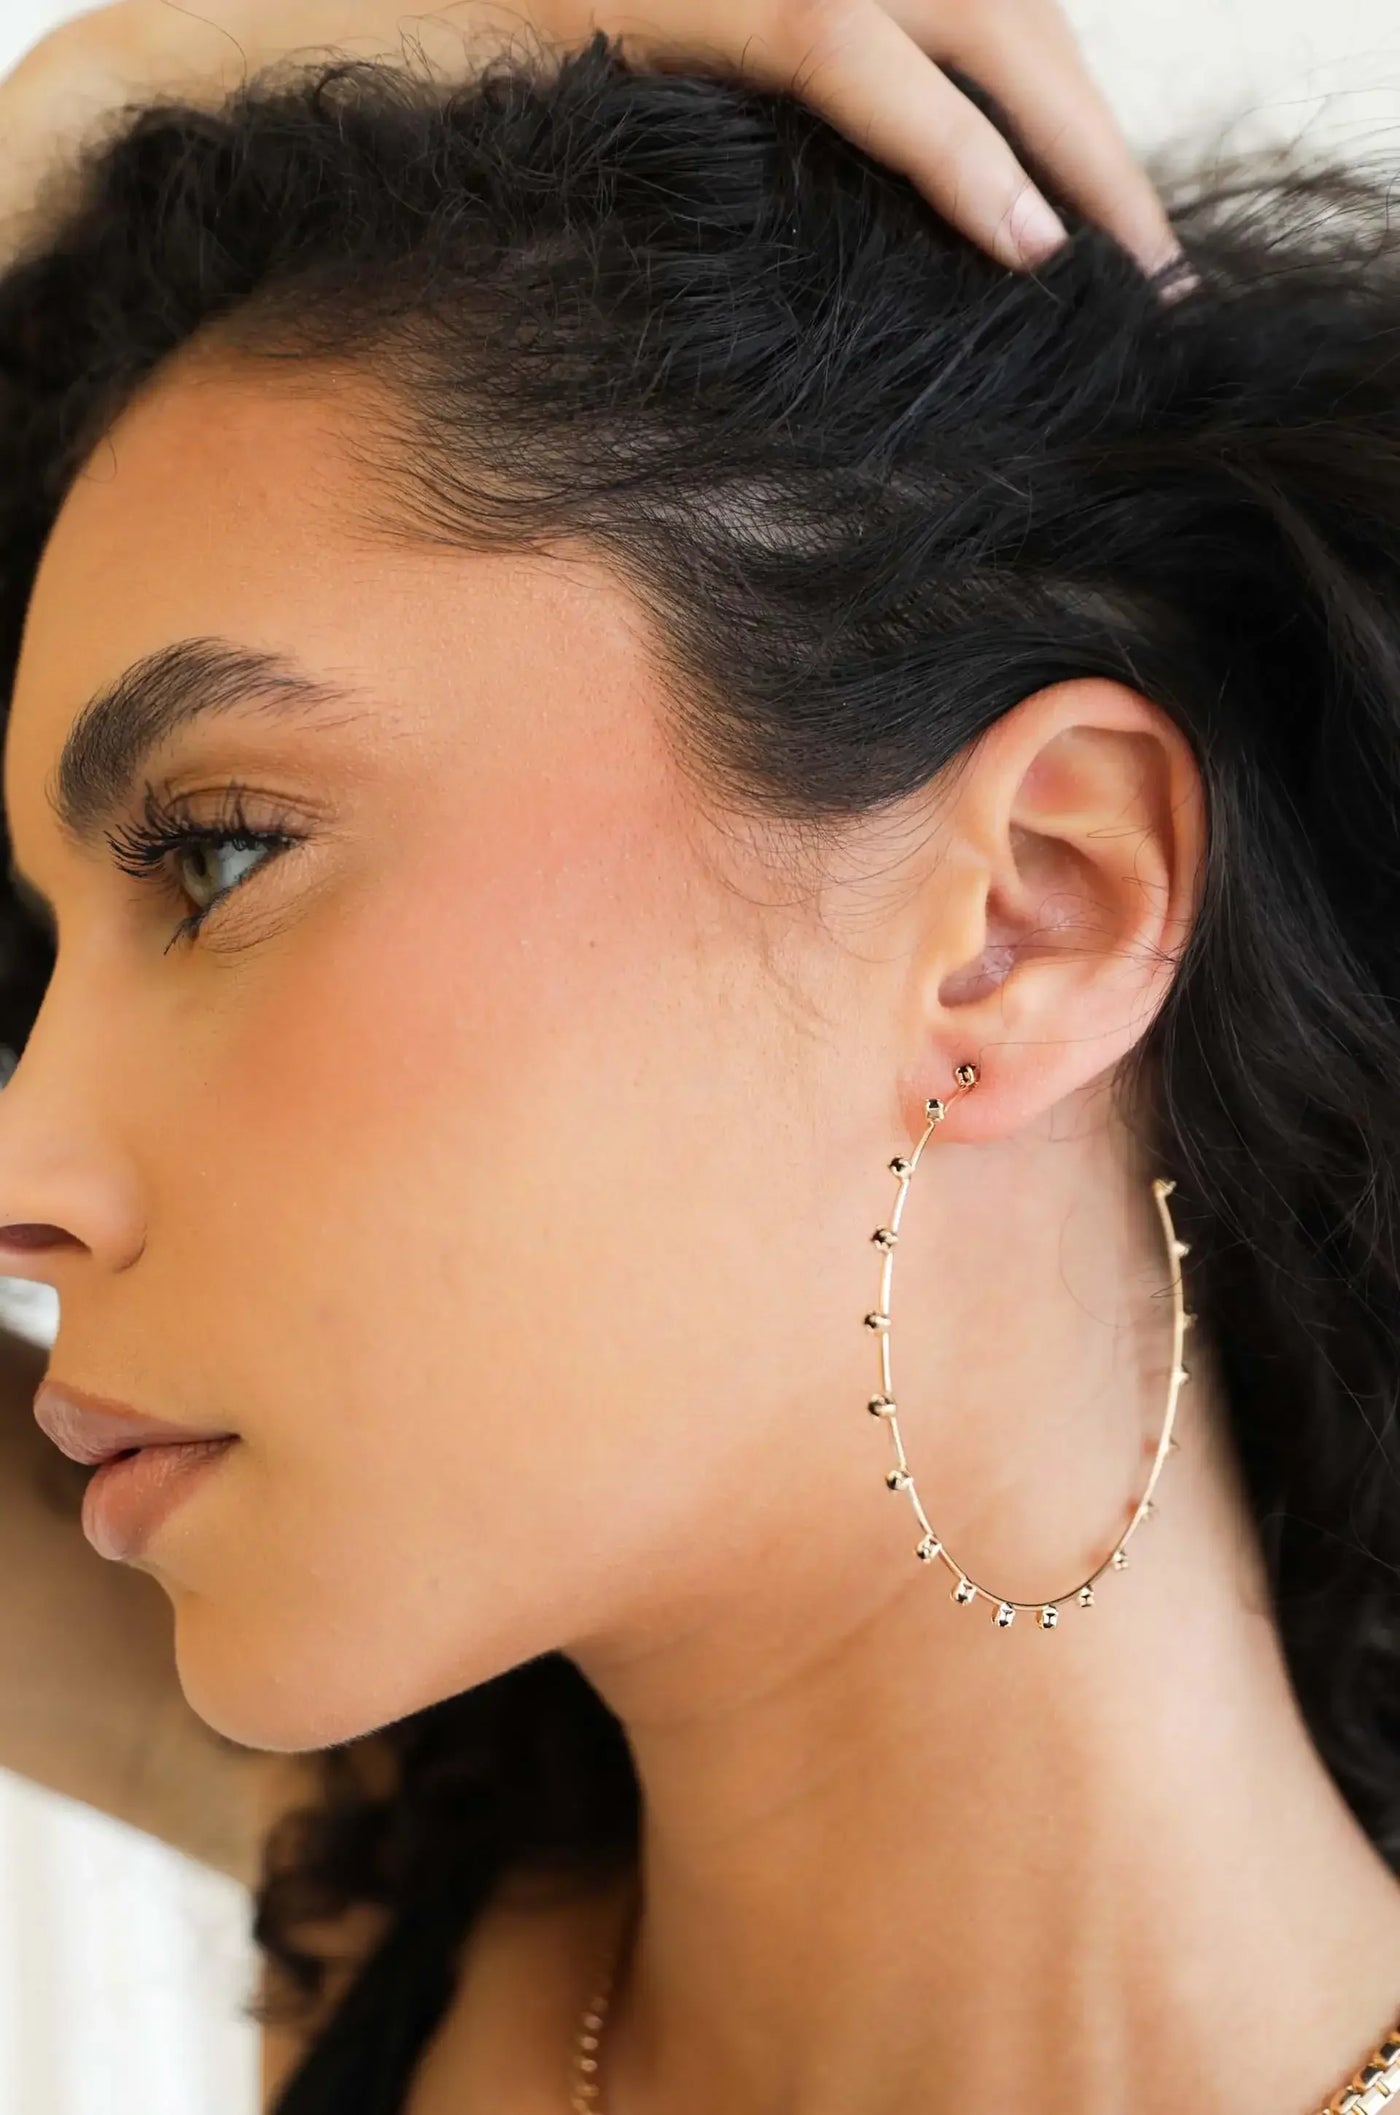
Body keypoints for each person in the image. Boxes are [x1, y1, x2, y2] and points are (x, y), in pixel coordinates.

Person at [0, 6, 1398, 2115]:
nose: (19, 1159)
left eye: (214, 854)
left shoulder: (404, 1933)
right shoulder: (406, 1918)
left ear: (1034, 907)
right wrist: (80, 116)